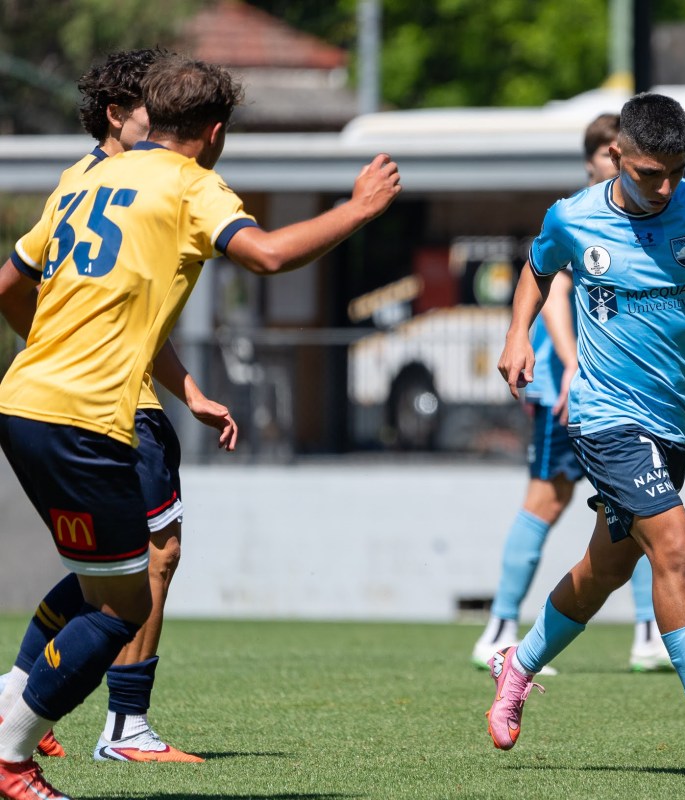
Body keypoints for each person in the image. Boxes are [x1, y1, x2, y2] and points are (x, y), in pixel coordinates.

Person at [0, 55, 400, 800]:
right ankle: (14, 753)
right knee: (125, 604)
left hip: (22, 400)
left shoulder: (85, 177)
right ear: (214, 133)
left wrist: (75, 357)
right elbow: (270, 255)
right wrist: (360, 210)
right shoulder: (192, 184)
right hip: (84, 417)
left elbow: (10, 283)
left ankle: (17, 713)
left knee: (106, 583)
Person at [487, 92, 685, 760]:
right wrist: (517, 335)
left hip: (670, 423)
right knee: (673, 544)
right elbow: (536, 271)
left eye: (675, 170)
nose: (665, 186)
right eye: (650, 173)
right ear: (616, 156)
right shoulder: (574, 219)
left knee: (604, 570)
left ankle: (517, 667)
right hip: (603, 417)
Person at [0, 47, 238, 765]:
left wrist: (189, 388)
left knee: (110, 568)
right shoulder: (148, 183)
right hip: (110, 409)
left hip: (90, 399)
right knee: (149, 563)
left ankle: (21, 698)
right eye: (150, 107)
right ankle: (122, 726)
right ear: (119, 115)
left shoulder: (84, 180)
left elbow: (111, 310)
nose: (163, 119)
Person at [471, 113, 675, 675]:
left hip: (613, 389)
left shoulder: (644, 211)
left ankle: (645, 634)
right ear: (608, 157)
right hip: (575, 384)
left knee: (634, 508)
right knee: (548, 499)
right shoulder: (586, 213)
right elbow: (555, 290)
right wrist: (568, 367)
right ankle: (499, 628)